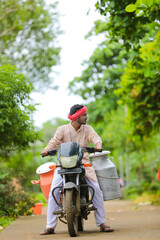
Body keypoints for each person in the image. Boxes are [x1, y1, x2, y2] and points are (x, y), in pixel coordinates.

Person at [40, 104, 114, 235]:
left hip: (83, 163)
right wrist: (46, 150)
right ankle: (50, 226)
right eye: (84, 115)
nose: (86, 117)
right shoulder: (62, 129)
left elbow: (96, 138)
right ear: (76, 117)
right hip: (64, 164)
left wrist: (98, 144)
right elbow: (54, 142)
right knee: (54, 190)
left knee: (96, 189)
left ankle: (102, 223)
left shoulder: (87, 129)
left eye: (86, 114)